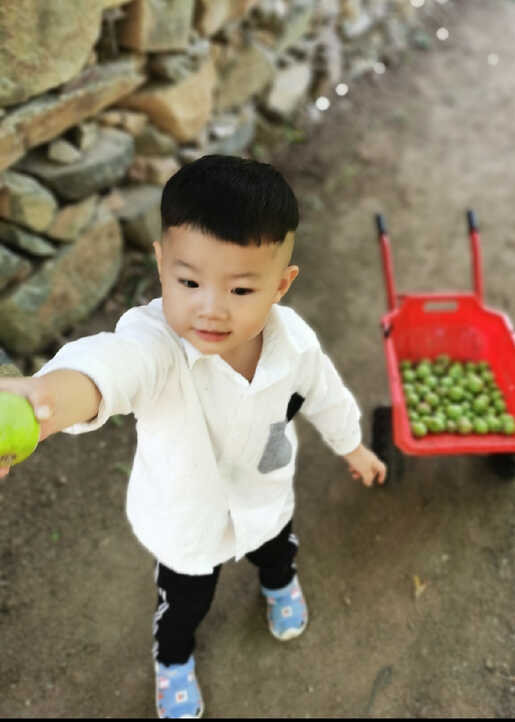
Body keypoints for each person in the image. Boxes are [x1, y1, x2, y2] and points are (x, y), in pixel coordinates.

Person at [0, 154, 386, 718]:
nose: (210, 309)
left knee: (278, 550)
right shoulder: (157, 346)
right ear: (162, 266)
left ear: (281, 285)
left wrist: (352, 445)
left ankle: (279, 585)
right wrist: (41, 402)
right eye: (188, 282)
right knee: (183, 604)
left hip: (264, 494)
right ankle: (174, 660)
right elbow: (110, 367)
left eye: (241, 290)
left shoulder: (295, 345)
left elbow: (325, 395)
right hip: (187, 521)